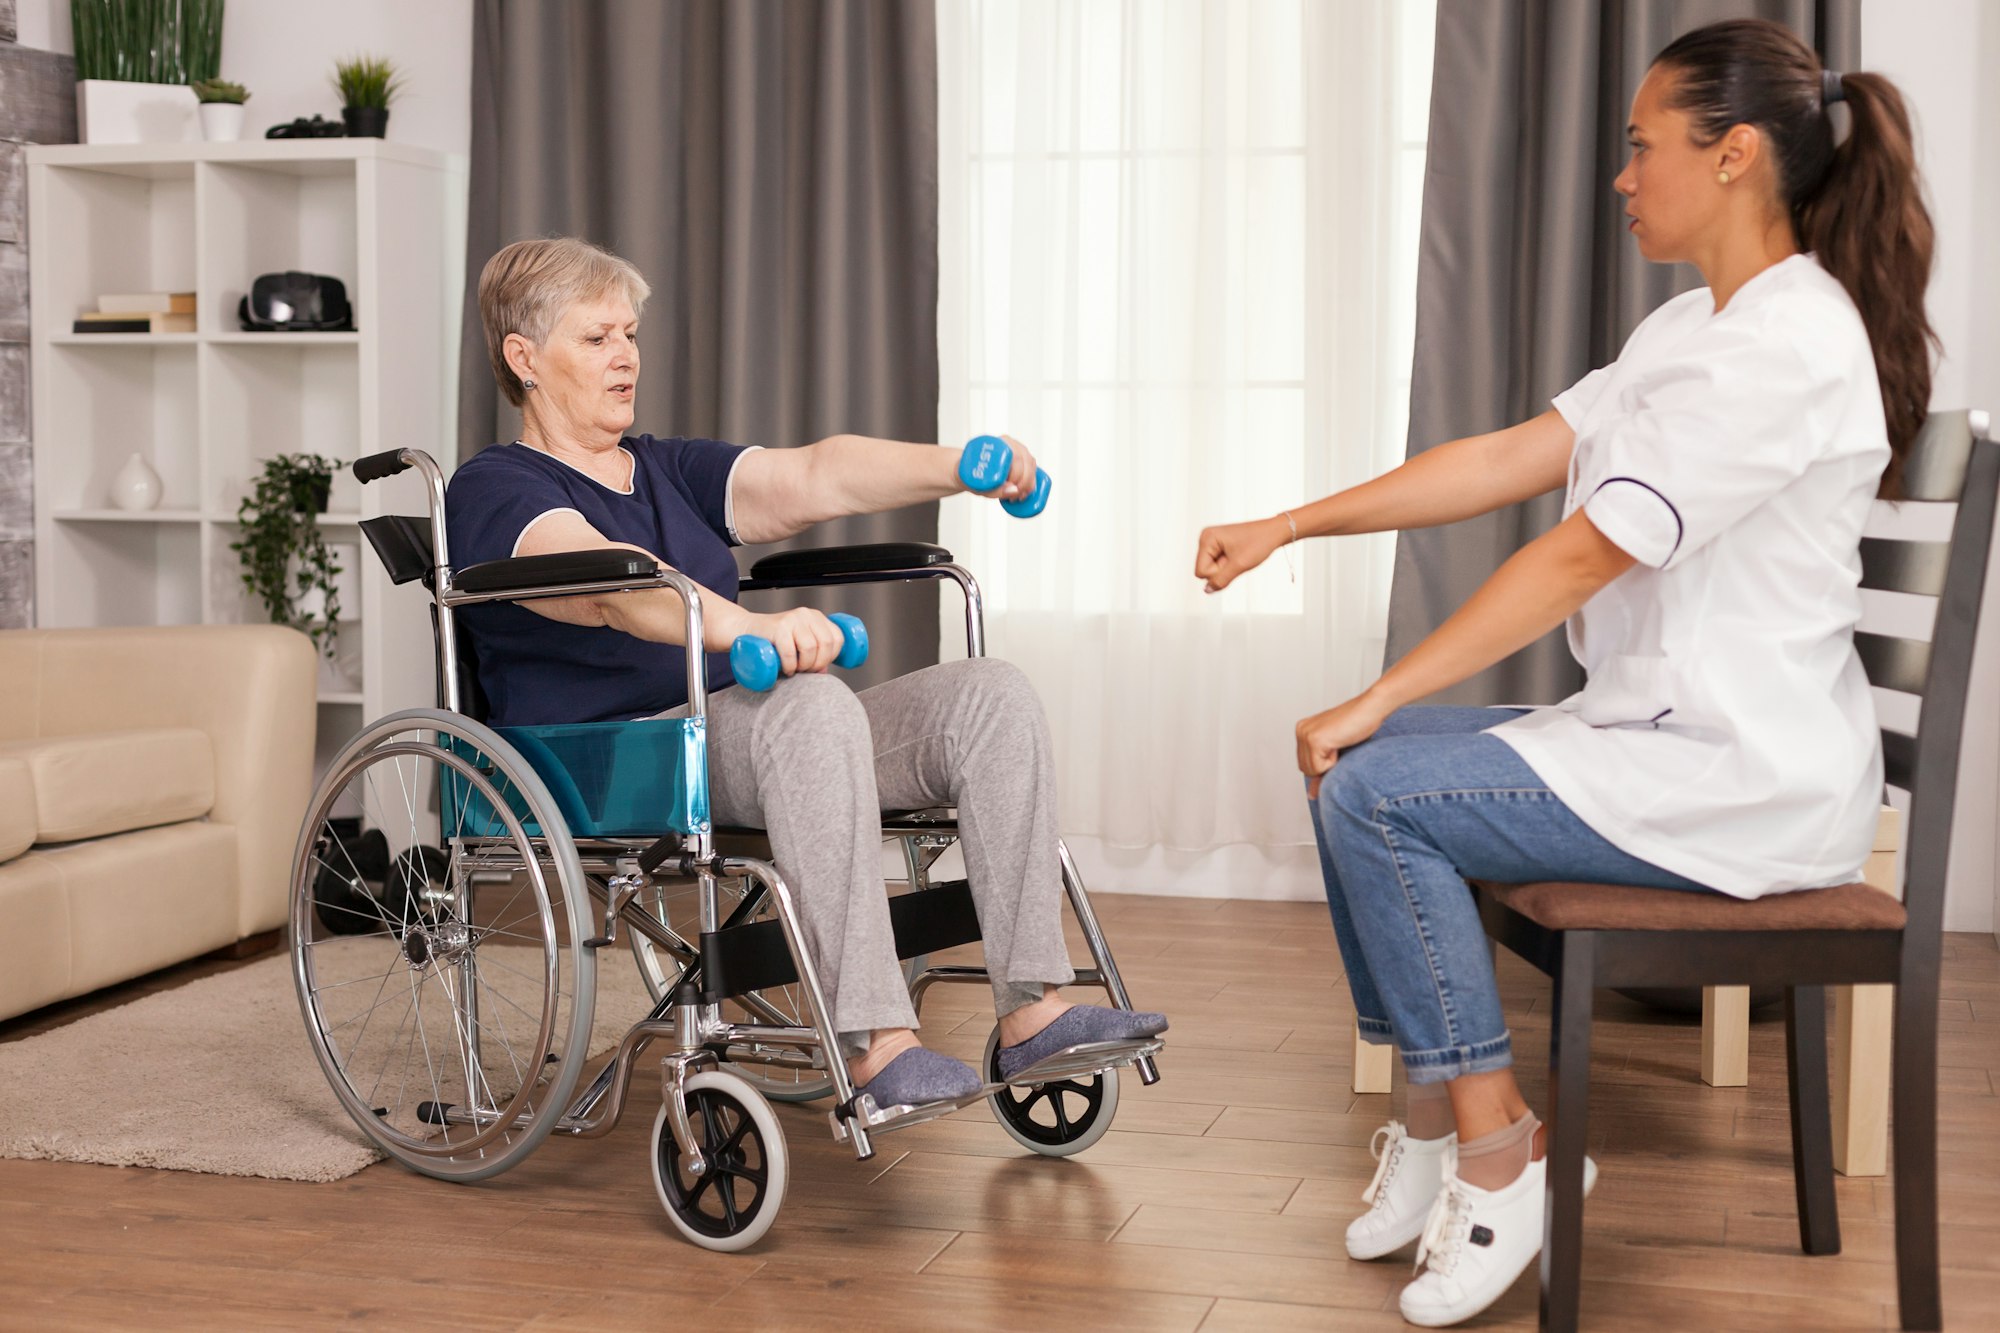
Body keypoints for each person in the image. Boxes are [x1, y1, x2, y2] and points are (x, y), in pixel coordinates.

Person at [1194, 19, 1932, 1328]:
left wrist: (1380, 692)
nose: (1623, 174)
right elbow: (1504, 458)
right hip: (1661, 738)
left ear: (1736, 155)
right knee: (1354, 773)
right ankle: (1440, 1126)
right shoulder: (1696, 330)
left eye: (1644, 147)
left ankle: (1503, 1157)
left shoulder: (1783, 350)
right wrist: (1289, 523)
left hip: (1738, 780)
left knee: (1376, 785)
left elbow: (1582, 557)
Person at [449, 236, 1165, 1112]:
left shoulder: (667, 467)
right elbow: (613, 587)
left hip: (744, 731)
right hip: (614, 754)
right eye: (597, 338)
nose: (627, 356)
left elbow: (816, 472)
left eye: (631, 334)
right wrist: (747, 625)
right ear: (523, 358)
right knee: (812, 703)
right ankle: (876, 1043)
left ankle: (1034, 1012)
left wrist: (960, 465)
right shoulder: (495, 486)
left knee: (991, 694)